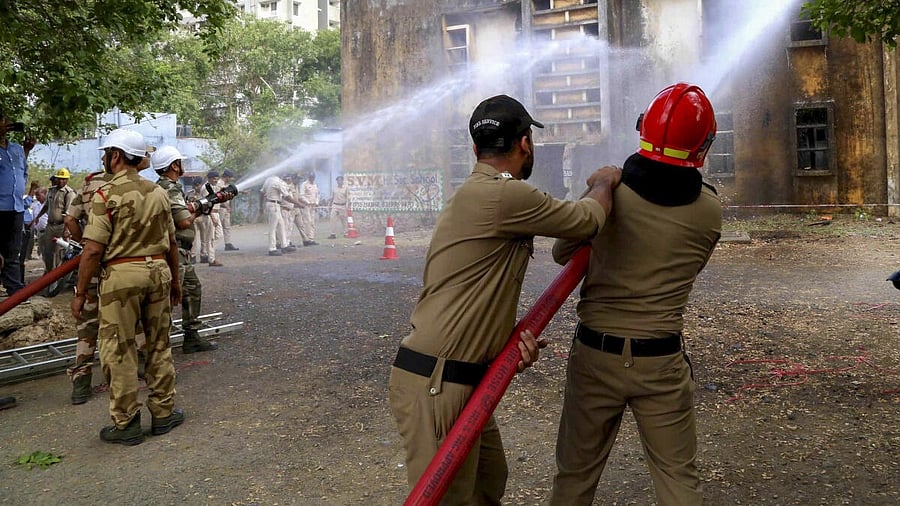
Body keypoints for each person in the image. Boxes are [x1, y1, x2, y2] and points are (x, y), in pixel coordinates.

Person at [388, 94, 622, 504]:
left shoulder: (482, 193)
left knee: (487, 482)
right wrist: (605, 181)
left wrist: (504, 345)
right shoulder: (504, 195)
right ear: (525, 143)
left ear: (476, 149)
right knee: (451, 498)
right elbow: (587, 219)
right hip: (440, 382)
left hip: (459, 376)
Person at [549, 82, 722, 505]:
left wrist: (601, 189)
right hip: (660, 361)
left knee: (575, 477)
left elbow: (561, 251)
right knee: (679, 479)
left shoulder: (611, 196)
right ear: (703, 146)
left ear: (644, 127)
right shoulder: (709, 211)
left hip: (595, 356)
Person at [70, 128, 184, 446]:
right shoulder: (159, 192)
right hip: (159, 272)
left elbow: (92, 250)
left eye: (107, 153)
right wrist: (175, 281)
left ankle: (127, 423)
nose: (105, 158)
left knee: (119, 349)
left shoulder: (105, 194)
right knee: (159, 344)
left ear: (116, 156)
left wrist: (80, 294)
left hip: (122, 277)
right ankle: (163, 414)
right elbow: (173, 243)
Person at [154, 146, 219, 353]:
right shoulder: (169, 188)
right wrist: (202, 208)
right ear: (174, 165)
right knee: (167, 301)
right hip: (175, 252)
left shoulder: (167, 186)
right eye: (181, 162)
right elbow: (182, 222)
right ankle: (155, 354)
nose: (183, 166)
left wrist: (200, 206)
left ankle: (191, 336)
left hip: (182, 252)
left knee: (192, 289)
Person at [63, 167, 112, 404]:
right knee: (132, 320)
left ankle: (81, 382)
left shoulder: (88, 186)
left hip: (91, 261)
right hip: (118, 263)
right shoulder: (131, 185)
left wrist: (83, 239)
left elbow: (70, 218)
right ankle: (137, 370)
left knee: (87, 323)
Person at [0, 109, 32, 297]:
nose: (7, 124)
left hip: (16, 208)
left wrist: (26, 150)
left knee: (13, 251)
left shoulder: (16, 149)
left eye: (6, 121)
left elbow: (23, 173)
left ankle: (15, 290)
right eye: (3, 121)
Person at [35, 168, 76, 277]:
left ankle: (57, 278)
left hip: (61, 226)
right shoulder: (51, 191)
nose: (62, 181)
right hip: (50, 226)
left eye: (64, 179)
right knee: (48, 252)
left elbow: (68, 213)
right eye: (60, 179)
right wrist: (37, 217)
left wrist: (67, 230)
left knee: (59, 253)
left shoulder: (69, 193)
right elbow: (46, 206)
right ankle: (49, 274)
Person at [260, 174, 305, 256]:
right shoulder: (278, 182)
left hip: (272, 204)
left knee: (281, 225)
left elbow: (262, 193)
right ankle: (272, 248)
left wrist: (260, 207)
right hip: (274, 204)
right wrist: (299, 204)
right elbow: (287, 197)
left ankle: (284, 245)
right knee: (272, 227)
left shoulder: (268, 180)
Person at [203, 170, 224, 266]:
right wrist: (212, 217)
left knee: (218, 235)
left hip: (216, 212)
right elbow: (206, 204)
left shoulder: (213, 186)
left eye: (217, 178)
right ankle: (211, 259)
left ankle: (210, 253)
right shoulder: (206, 188)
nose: (216, 180)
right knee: (210, 237)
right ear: (209, 179)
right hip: (210, 214)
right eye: (214, 179)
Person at [187, 177, 208, 264]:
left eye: (198, 185)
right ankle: (193, 256)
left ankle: (204, 255)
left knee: (204, 237)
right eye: (195, 185)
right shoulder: (190, 194)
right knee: (194, 237)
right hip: (194, 217)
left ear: (201, 184)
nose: (196, 187)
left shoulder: (206, 193)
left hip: (203, 217)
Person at [220, 169, 239, 251]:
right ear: (226, 177)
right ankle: (211, 245)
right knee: (217, 226)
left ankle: (228, 244)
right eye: (230, 177)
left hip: (226, 208)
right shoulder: (219, 184)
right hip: (220, 208)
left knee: (227, 227)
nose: (231, 179)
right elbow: (219, 198)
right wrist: (226, 206)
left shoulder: (226, 184)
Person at [299, 172, 319, 246]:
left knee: (312, 222)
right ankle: (306, 239)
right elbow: (301, 196)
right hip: (306, 206)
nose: (312, 178)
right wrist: (307, 202)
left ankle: (311, 238)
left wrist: (316, 202)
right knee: (307, 222)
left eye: (313, 177)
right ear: (308, 177)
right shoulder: (304, 184)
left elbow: (317, 195)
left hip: (313, 206)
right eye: (311, 177)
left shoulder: (315, 185)